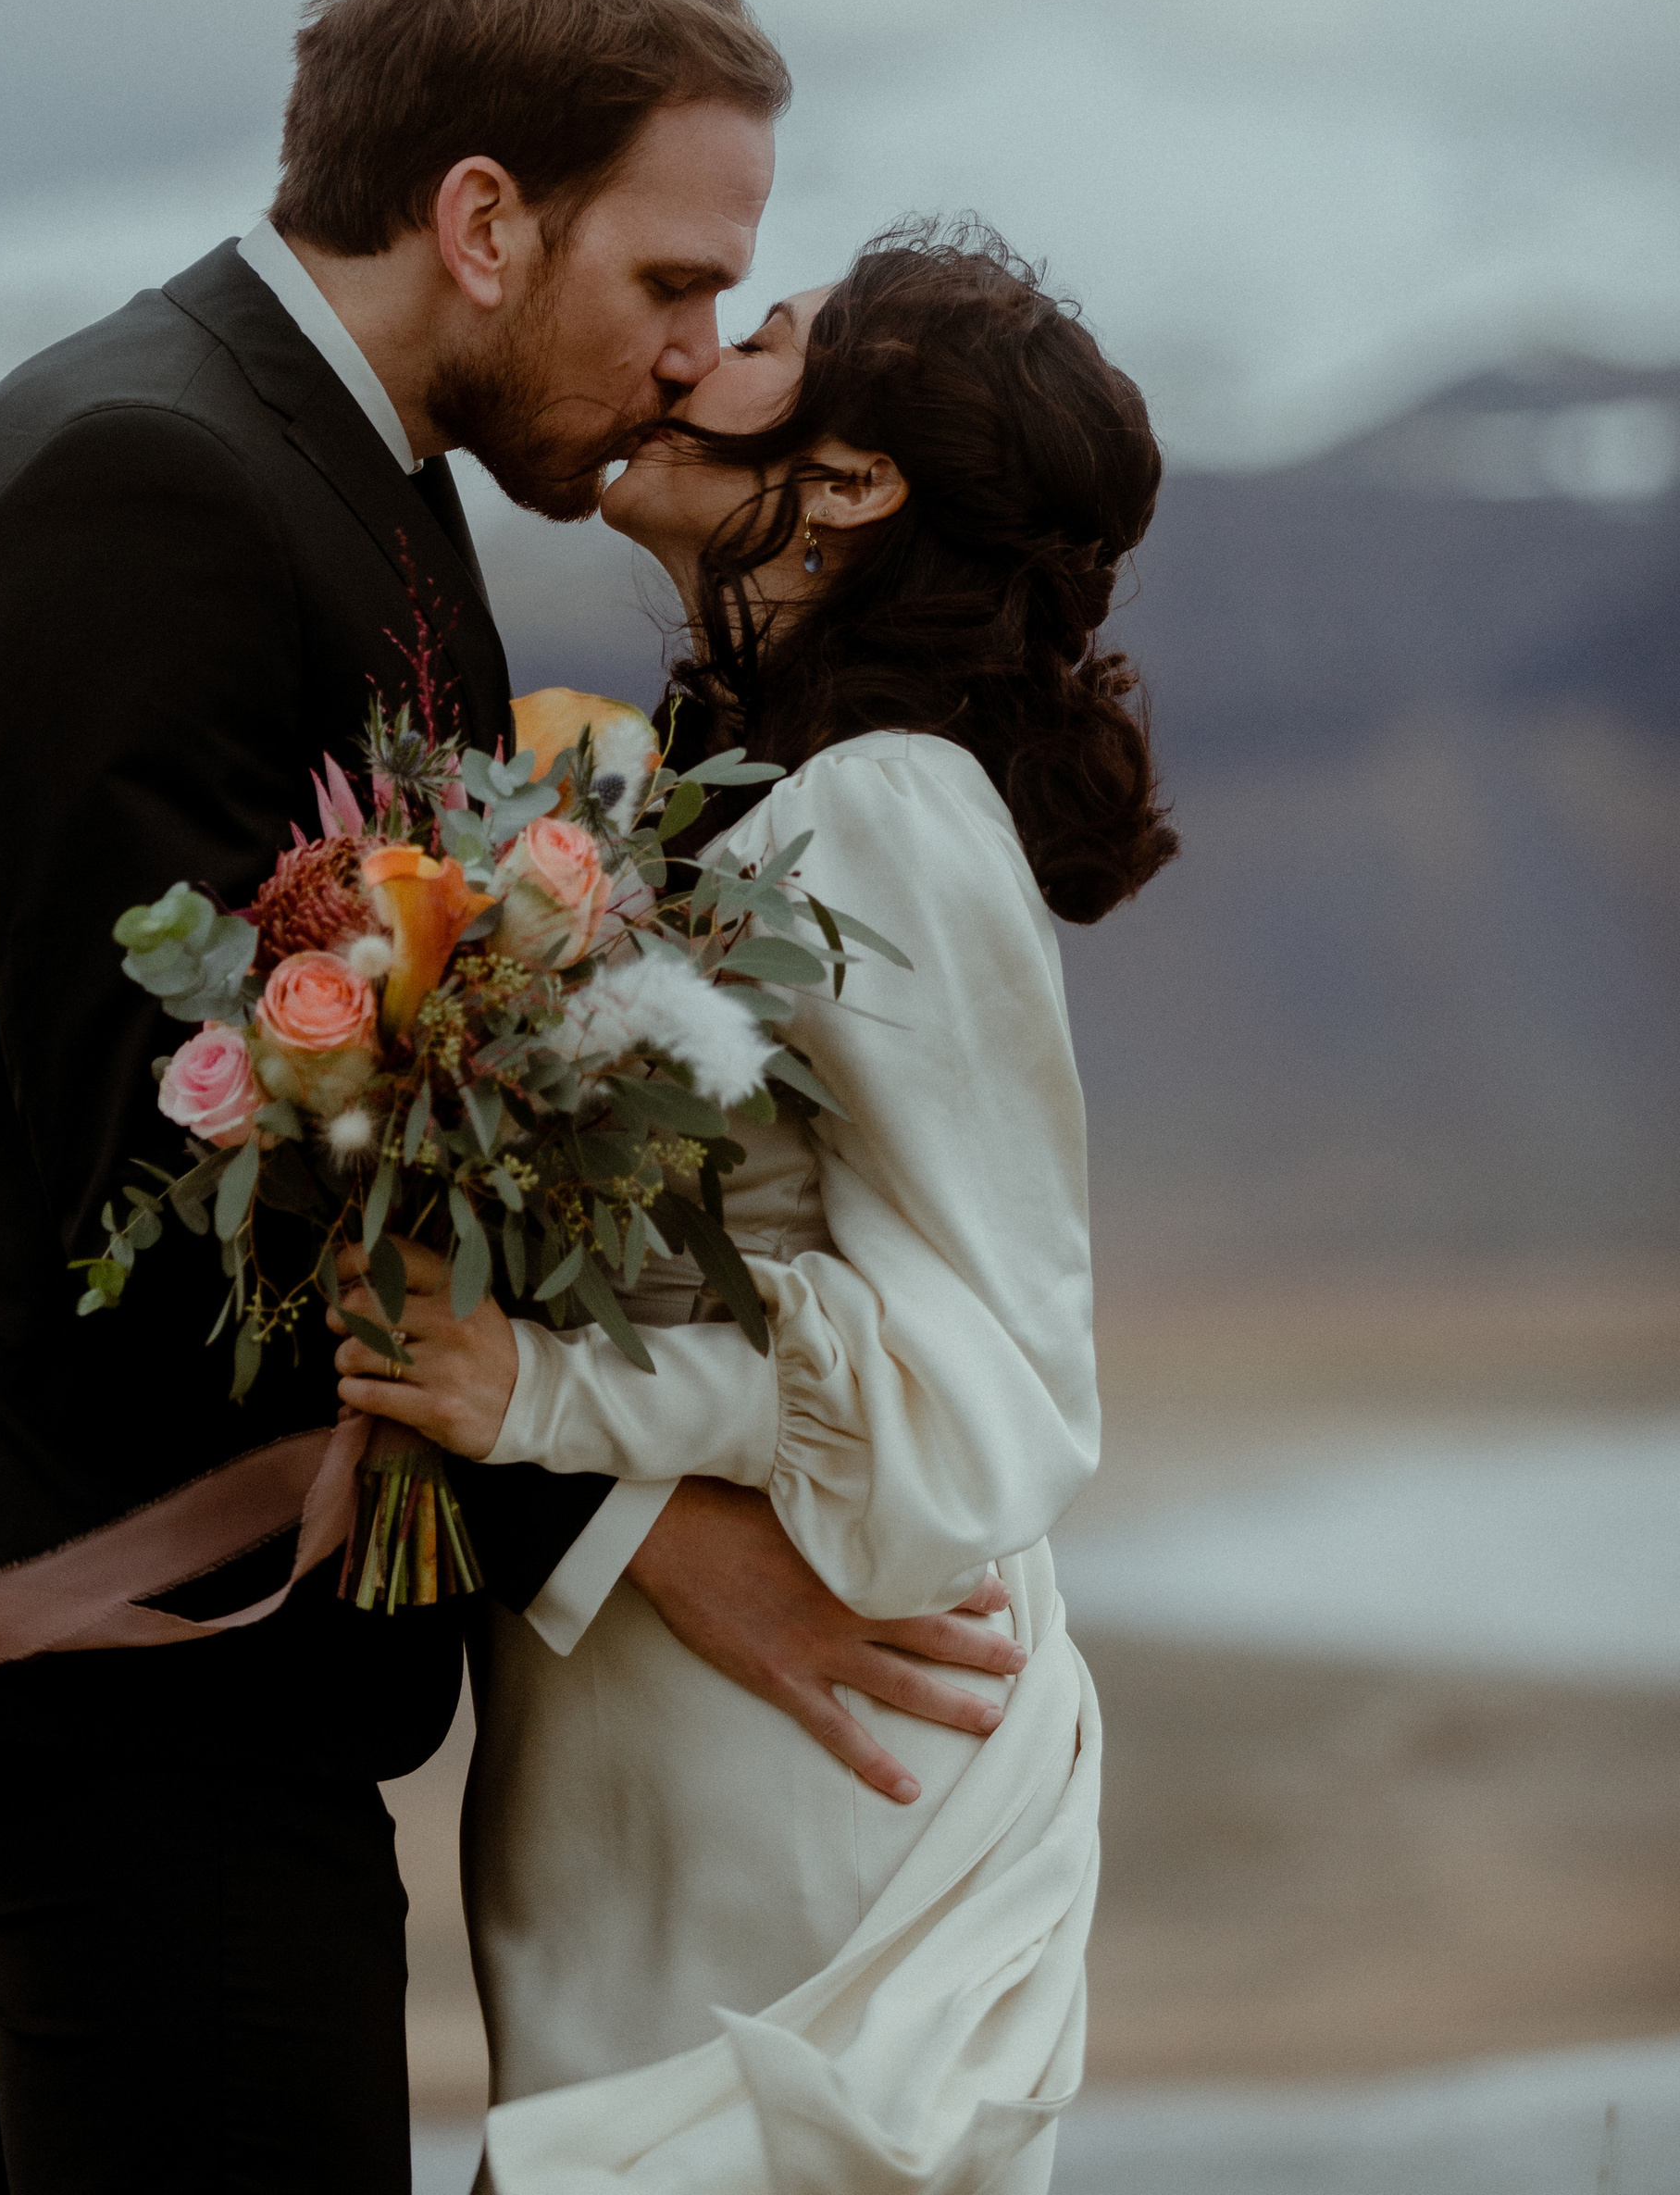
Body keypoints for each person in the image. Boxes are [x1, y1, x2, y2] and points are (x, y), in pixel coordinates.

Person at [0, 0, 1024, 2195]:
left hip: (125, 1683)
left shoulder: (341, 469)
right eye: (669, 284)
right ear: (480, 221)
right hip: (135, 1682)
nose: (693, 354)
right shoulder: (146, 480)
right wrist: (630, 1524)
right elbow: (161, 1158)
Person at [333, 227, 1179, 2195]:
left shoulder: (882, 806)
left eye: (761, 337)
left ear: (855, 479)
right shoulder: (722, 797)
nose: (685, 359)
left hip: (822, 1750)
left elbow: (991, 1382)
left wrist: (542, 1394)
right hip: (652, 1731)